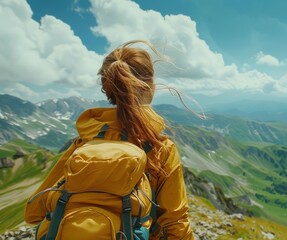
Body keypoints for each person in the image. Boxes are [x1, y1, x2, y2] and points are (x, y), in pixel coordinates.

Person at [24, 40, 194, 239]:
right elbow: (175, 223)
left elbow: (33, 213)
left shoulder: (84, 144)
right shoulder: (161, 148)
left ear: (107, 90)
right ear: (150, 85)